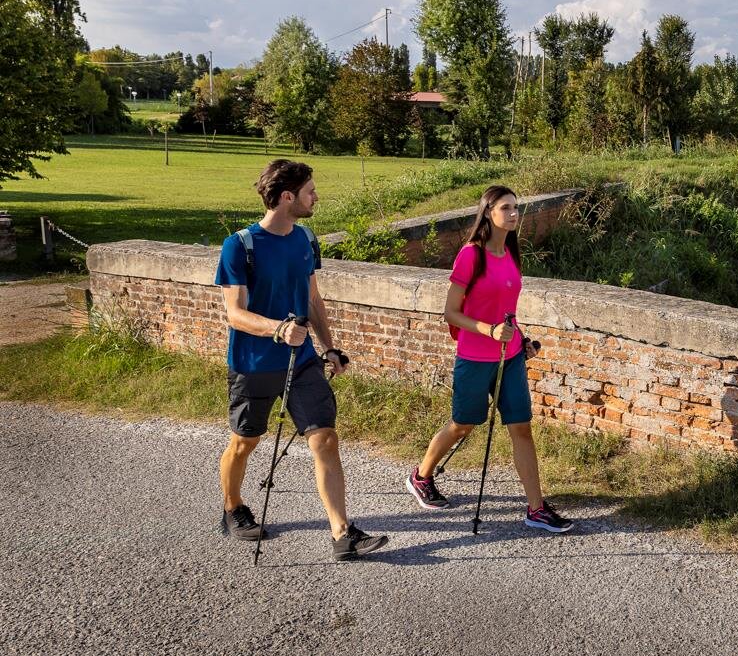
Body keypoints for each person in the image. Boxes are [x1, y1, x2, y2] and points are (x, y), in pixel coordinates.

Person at [215, 159, 389, 561]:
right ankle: (232, 507)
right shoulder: (240, 246)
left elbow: (313, 299)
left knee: (325, 439)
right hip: (254, 363)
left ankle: (342, 533)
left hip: (304, 361)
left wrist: (328, 347)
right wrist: (277, 329)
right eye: (310, 190)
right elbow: (234, 313)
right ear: (288, 196)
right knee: (244, 443)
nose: (316, 197)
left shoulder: (307, 238)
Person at [405, 185, 574, 533]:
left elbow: (506, 313)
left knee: (521, 428)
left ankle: (535, 508)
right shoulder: (471, 255)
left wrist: (520, 338)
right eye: (506, 208)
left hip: (509, 358)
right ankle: (421, 476)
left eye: (516, 208)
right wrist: (489, 330)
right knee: (463, 424)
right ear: (488, 213)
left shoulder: (511, 254)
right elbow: (451, 312)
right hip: (475, 356)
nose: (513, 214)